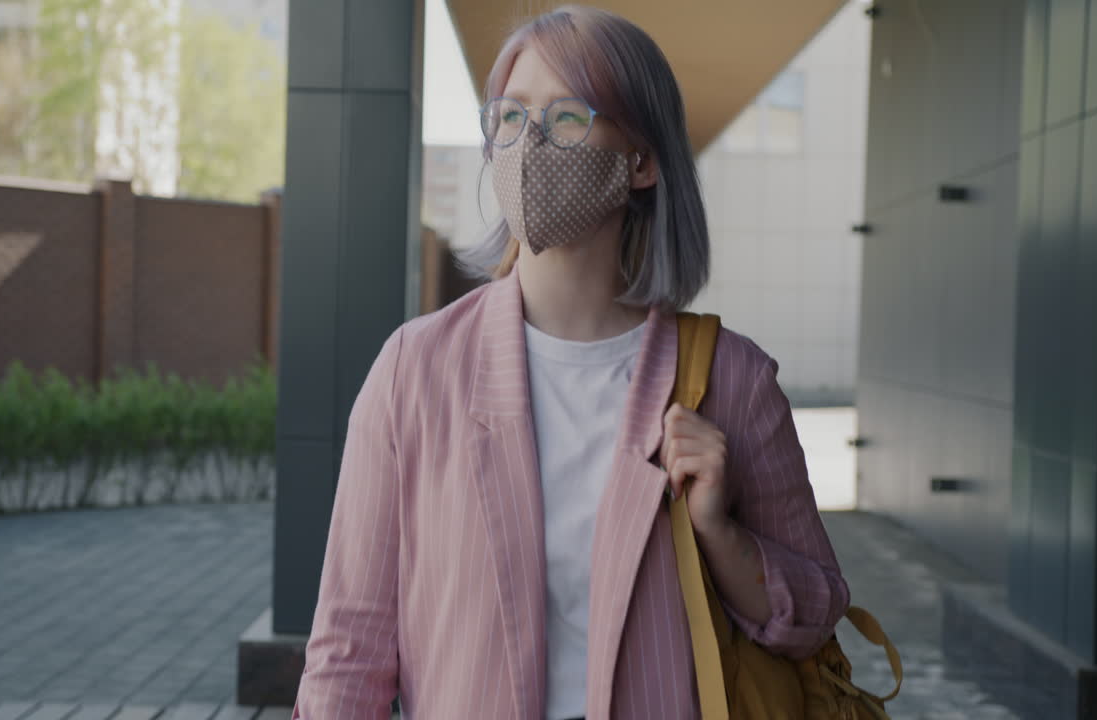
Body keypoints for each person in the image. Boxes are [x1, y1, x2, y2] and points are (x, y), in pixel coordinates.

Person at [291, 6, 849, 719]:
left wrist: (719, 532)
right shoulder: (415, 371)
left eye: (566, 119)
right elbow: (350, 647)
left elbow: (814, 614)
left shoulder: (732, 382)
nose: (531, 143)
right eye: (512, 117)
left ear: (641, 162)